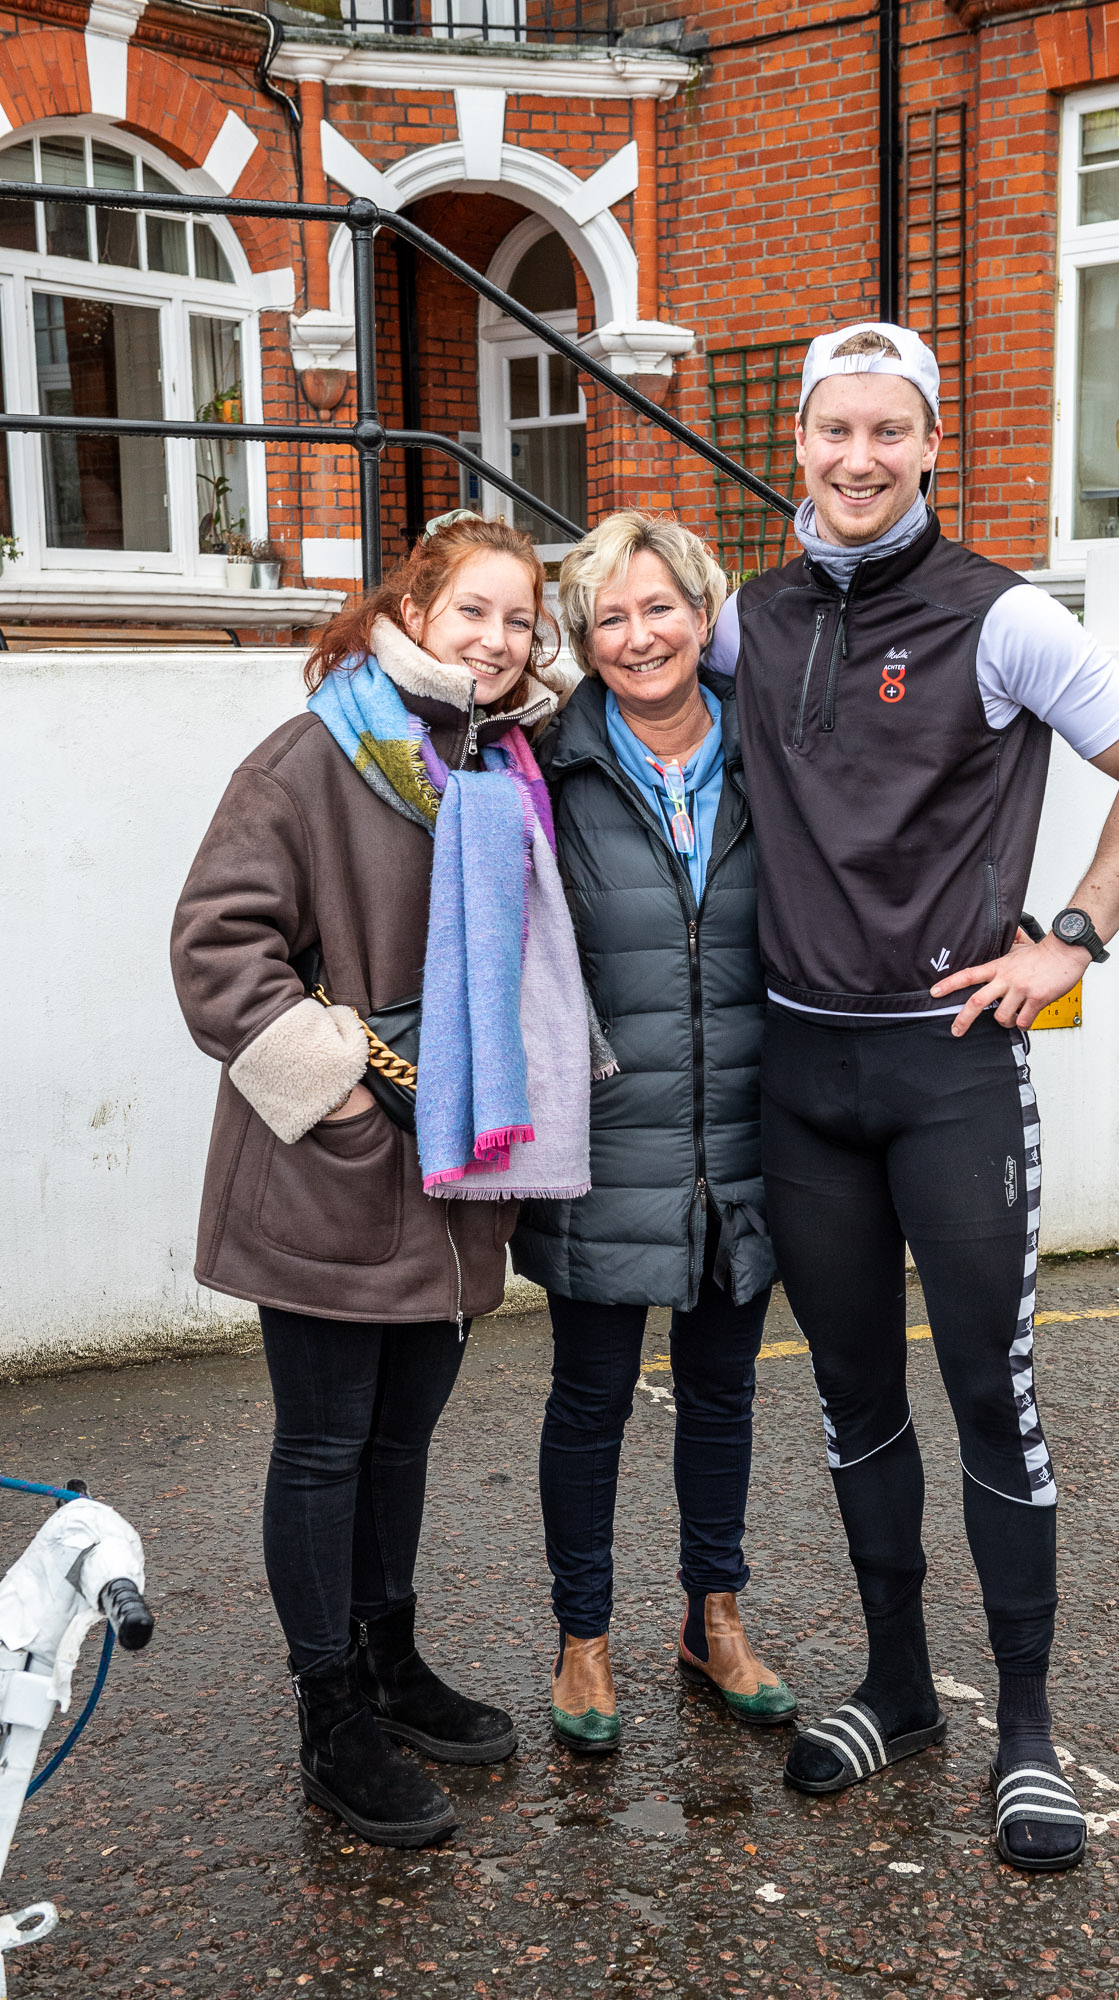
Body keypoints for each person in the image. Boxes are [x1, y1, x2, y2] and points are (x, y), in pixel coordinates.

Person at [708, 324, 1119, 1873]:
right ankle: (900, 1689)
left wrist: (1069, 939)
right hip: (801, 1075)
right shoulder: (749, 619)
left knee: (992, 1397)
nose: (857, 459)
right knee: (853, 1403)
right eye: (832, 431)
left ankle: (1028, 1732)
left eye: (887, 433)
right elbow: (624, 664)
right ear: (799, 441)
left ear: (930, 447)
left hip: (947, 1075)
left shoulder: (999, 618)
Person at [171, 514, 590, 1847]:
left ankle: (390, 1663)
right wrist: (342, 1085)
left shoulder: (501, 757)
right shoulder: (315, 752)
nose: (497, 639)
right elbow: (218, 947)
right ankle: (328, 1712)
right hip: (337, 1170)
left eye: (521, 620)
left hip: (454, 1173)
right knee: (325, 1445)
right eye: (473, 610)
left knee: (401, 1440)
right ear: (412, 606)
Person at [511, 511, 798, 1752]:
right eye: (609, 617)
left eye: (659, 608)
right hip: (604, 1131)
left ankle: (713, 1617)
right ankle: (584, 1639)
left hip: (744, 1127)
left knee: (723, 1391)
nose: (638, 637)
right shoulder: (539, 763)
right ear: (582, 638)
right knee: (588, 1398)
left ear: (703, 610)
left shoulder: (776, 750)